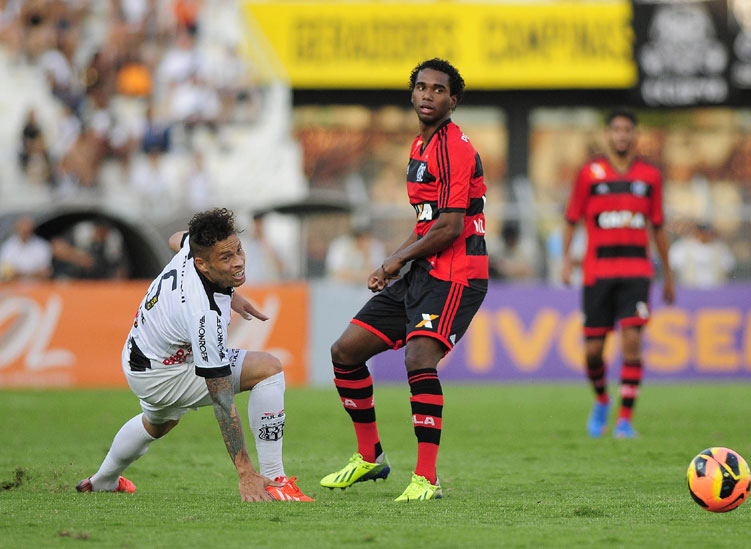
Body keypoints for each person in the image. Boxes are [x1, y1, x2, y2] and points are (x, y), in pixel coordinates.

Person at [319, 59, 488, 501]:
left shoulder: (455, 147)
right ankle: (369, 456)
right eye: (421, 87)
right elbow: (427, 222)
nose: (428, 95)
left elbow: (450, 227)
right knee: (346, 351)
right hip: (424, 269)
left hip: (457, 274)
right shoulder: (420, 146)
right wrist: (393, 260)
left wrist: (394, 262)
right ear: (412, 94)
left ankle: (426, 478)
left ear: (454, 100)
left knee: (418, 359)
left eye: (438, 89)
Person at [76, 208, 312, 502]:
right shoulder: (205, 315)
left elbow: (176, 239)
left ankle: (104, 480)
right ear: (202, 263)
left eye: (238, 250)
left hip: (141, 356)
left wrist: (231, 293)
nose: (238, 262)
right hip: (164, 371)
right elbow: (222, 400)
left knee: (158, 422)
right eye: (226, 259)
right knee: (268, 369)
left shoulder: (194, 249)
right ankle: (276, 481)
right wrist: (245, 472)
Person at [561, 107, 675, 439]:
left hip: (637, 272)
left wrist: (667, 273)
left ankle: (625, 420)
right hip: (597, 273)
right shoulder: (589, 174)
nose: (622, 135)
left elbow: (659, 226)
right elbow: (571, 219)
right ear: (608, 135)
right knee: (594, 351)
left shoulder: (649, 176)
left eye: (628, 130)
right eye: (616, 130)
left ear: (634, 135)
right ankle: (601, 400)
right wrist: (566, 260)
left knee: (632, 342)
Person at [669, 222, 735, 287]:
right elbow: (672, 264)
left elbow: (729, 266)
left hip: (716, 289)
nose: (705, 235)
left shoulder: (721, 248)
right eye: (702, 232)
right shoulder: (682, 247)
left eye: (707, 233)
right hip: (690, 289)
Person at [0, 215, 52, 281]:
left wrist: (19, 273)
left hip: (37, 286)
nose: (25, 232)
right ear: (17, 228)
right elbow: (6, 271)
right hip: (14, 287)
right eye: (23, 229)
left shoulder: (42, 246)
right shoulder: (8, 246)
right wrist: (32, 273)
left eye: (27, 229)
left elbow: (45, 272)